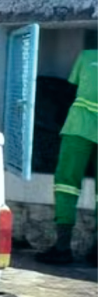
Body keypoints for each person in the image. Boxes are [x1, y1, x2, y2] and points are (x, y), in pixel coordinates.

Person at [37, 35, 97, 265]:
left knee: (66, 184)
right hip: (81, 127)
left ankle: (63, 248)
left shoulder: (87, 56)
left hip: (79, 127)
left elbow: (71, 87)